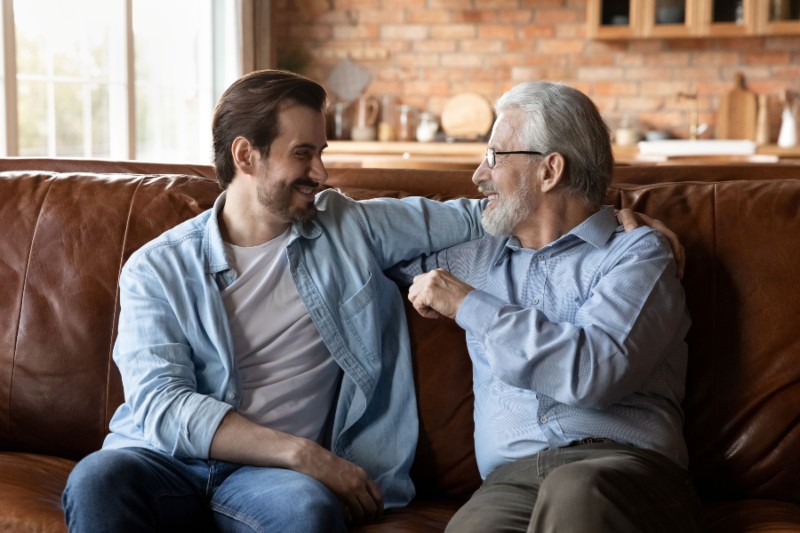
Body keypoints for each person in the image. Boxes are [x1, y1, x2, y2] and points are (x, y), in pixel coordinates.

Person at [61, 69, 680, 532]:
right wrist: (307, 455)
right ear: (245, 156)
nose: (324, 173)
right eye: (304, 154)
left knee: (307, 514)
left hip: (274, 485)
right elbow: (163, 407)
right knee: (97, 479)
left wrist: (625, 211)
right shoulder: (156, 267)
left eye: (321, 152)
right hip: (172, 460)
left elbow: (518, 214)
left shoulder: (350, 229)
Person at [395, 81, 702, 532]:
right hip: (509, 483)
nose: (479, 174)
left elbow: (593, 372)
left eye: (495, 156)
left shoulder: (637, 255)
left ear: (550, 170)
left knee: (576, 492)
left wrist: (467, 304)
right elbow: (357, 244)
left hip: (625, 471)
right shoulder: (473, 257)